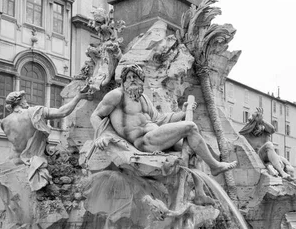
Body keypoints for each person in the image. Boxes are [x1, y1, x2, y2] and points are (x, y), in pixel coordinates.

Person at [89, 64, 237, 176]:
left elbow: (159, 119)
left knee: (195, 150)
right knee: (190, 127)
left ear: (142, 81)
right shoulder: (116, 95)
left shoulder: (144, 98)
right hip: (144, 141)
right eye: (129, 77)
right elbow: (95, 115)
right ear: (123, 81)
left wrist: (182, 113)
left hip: (156, 136)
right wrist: (102, 135)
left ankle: (199, 194)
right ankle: (215, 166)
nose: (132, 80)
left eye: (135, 77)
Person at [1, 90, 86, 190]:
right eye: (24, 99)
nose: (26, 101)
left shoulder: (4, 122)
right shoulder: (34, 112)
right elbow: (62, 112)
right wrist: (78, 97)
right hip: (35, 163)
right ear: (21, 101)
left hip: (15, 163)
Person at [239, 107, 295, 180]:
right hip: (258, 156)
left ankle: (289, 176)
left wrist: (261, 121)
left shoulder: (265, 131)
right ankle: (282, 173)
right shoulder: (248, 133)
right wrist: (254, 120)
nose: (257, 128)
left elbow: (272, 129)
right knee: (269, 144)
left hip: (269, 155)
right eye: (255, 126)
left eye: (258, 125)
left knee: (285, 161)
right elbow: (241, 132)